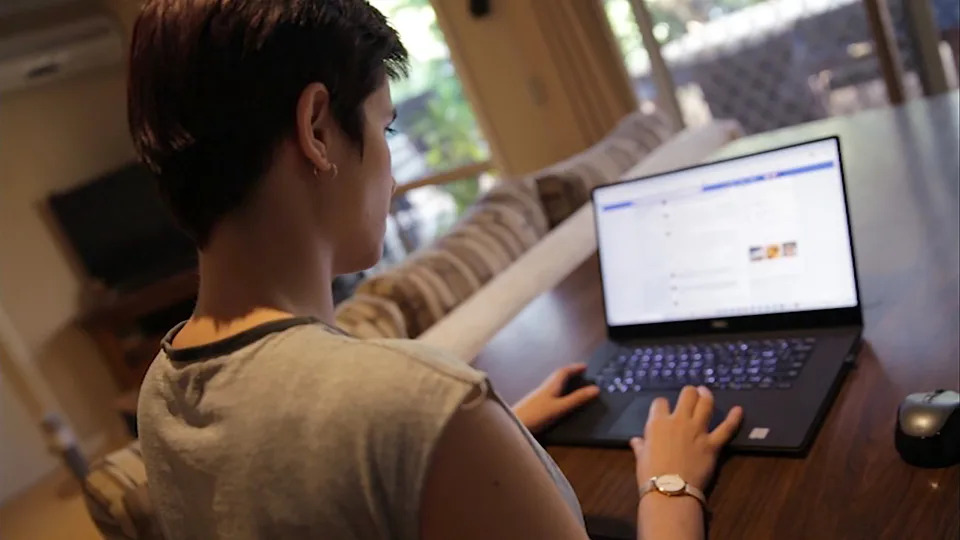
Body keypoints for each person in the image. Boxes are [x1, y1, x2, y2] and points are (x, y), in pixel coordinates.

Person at [129, 1, 743, 539]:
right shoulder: (413, 401)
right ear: (317, 129)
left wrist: (466, 444)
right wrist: (671, 481)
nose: (392, 172)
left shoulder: (163, 389)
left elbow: (299, 487)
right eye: (384, 124)